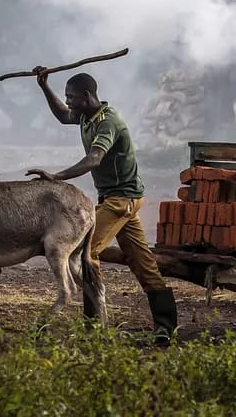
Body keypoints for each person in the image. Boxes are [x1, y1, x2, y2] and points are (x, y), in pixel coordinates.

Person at [26, 70, 178, 340]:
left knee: (86, 253)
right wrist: (43, 85)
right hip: (115, 199)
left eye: (71, 98)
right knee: (143, 264)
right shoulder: (85, 116)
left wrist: (56, 176)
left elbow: (94, 159)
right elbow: (63, 116)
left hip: (122, 200)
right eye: (67, 98)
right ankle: (166, 329)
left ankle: (94, 329)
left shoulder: (109, 121)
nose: (69, 102)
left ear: (87, 96)